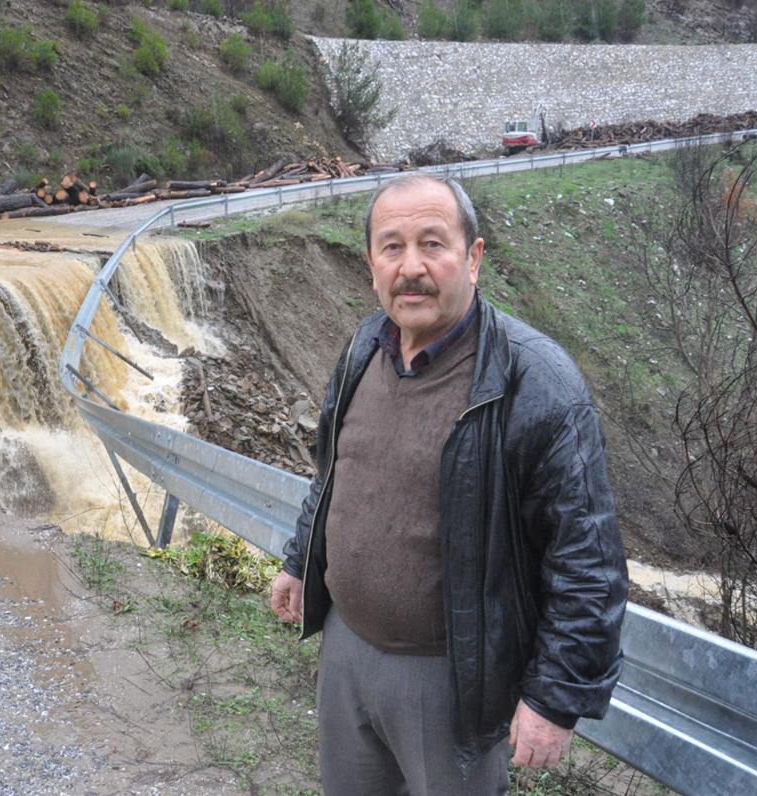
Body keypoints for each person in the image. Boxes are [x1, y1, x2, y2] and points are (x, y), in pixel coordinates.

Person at [269, 174, 628, 795]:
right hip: (345, 650)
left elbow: (586, 558)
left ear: (473, 257)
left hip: (451, 678)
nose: (411, 267)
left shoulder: (535, 381)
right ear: (371, 264)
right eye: (392, 247)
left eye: (432, 244)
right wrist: (302, 561)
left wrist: (555, 698)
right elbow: (334, 472)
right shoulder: (363, 348)